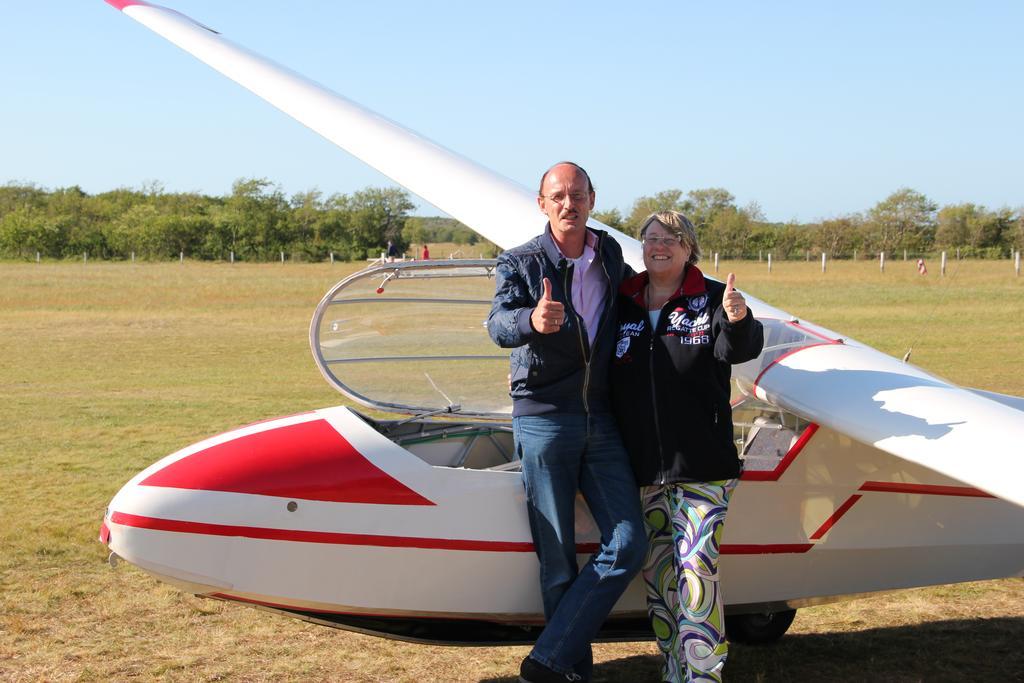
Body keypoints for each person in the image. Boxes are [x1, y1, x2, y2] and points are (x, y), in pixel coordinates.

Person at [488, 162, 646, 683]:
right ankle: (570, 671)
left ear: (593, 200)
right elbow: (497, 324)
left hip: (600, 417)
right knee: (557, 563)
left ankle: (547, 659)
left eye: (577, 194)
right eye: (557, 196)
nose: (568, 203)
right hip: (544, 420)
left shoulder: (612, 255)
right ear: (541, 204)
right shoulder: (520, 262)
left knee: (628, 544)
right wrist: (530, 322)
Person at [609, 211, 763, 683]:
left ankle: (702, 676)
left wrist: (738, 320)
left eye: (670, 239)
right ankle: (674, 669)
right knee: (659, 581)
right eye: (651, 238)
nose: (659, 246)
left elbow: (738, 348)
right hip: (643, 471)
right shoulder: (625, 301)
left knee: (696, 571)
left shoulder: (712, 297)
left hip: (703, 468)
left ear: (688, 247)